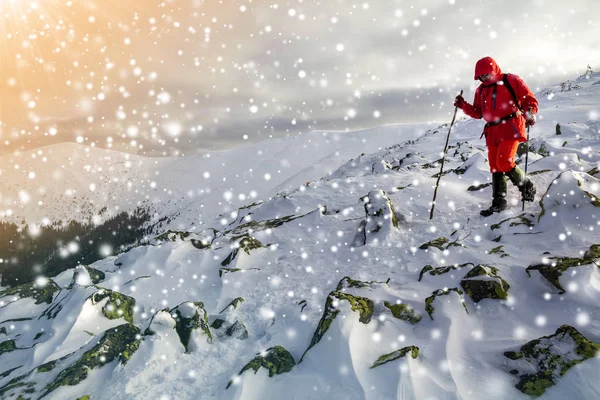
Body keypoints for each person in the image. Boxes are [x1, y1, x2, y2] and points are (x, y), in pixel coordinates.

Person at [454, 56, 538, 216]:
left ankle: (527, 186)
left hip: (511, 126)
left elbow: (528, 99)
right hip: (492, 131)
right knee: (495, 166)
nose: (484, 78)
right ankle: (499, 201)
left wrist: (530, 112)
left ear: (494, 69)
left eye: (486, 74)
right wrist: (463, 105)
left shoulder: (510, 79)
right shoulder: (481, 90)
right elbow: (478, 113)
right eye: (481, 76)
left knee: (505, 162)